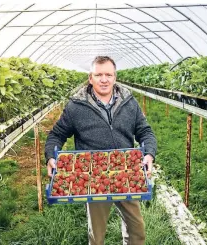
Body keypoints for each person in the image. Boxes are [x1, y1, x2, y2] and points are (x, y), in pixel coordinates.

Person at [45, 56, 157, 245]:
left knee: (137, 230)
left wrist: (149, 154)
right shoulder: (76, 107)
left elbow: (145, 131)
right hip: (92, 175)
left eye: (108, 74)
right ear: (90, 78)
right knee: (96, 236)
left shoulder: (129, 102)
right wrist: (50, 156)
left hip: (127, 171)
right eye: (98, 75)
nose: (104, 79)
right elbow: (56, 135)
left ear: (115, 77)